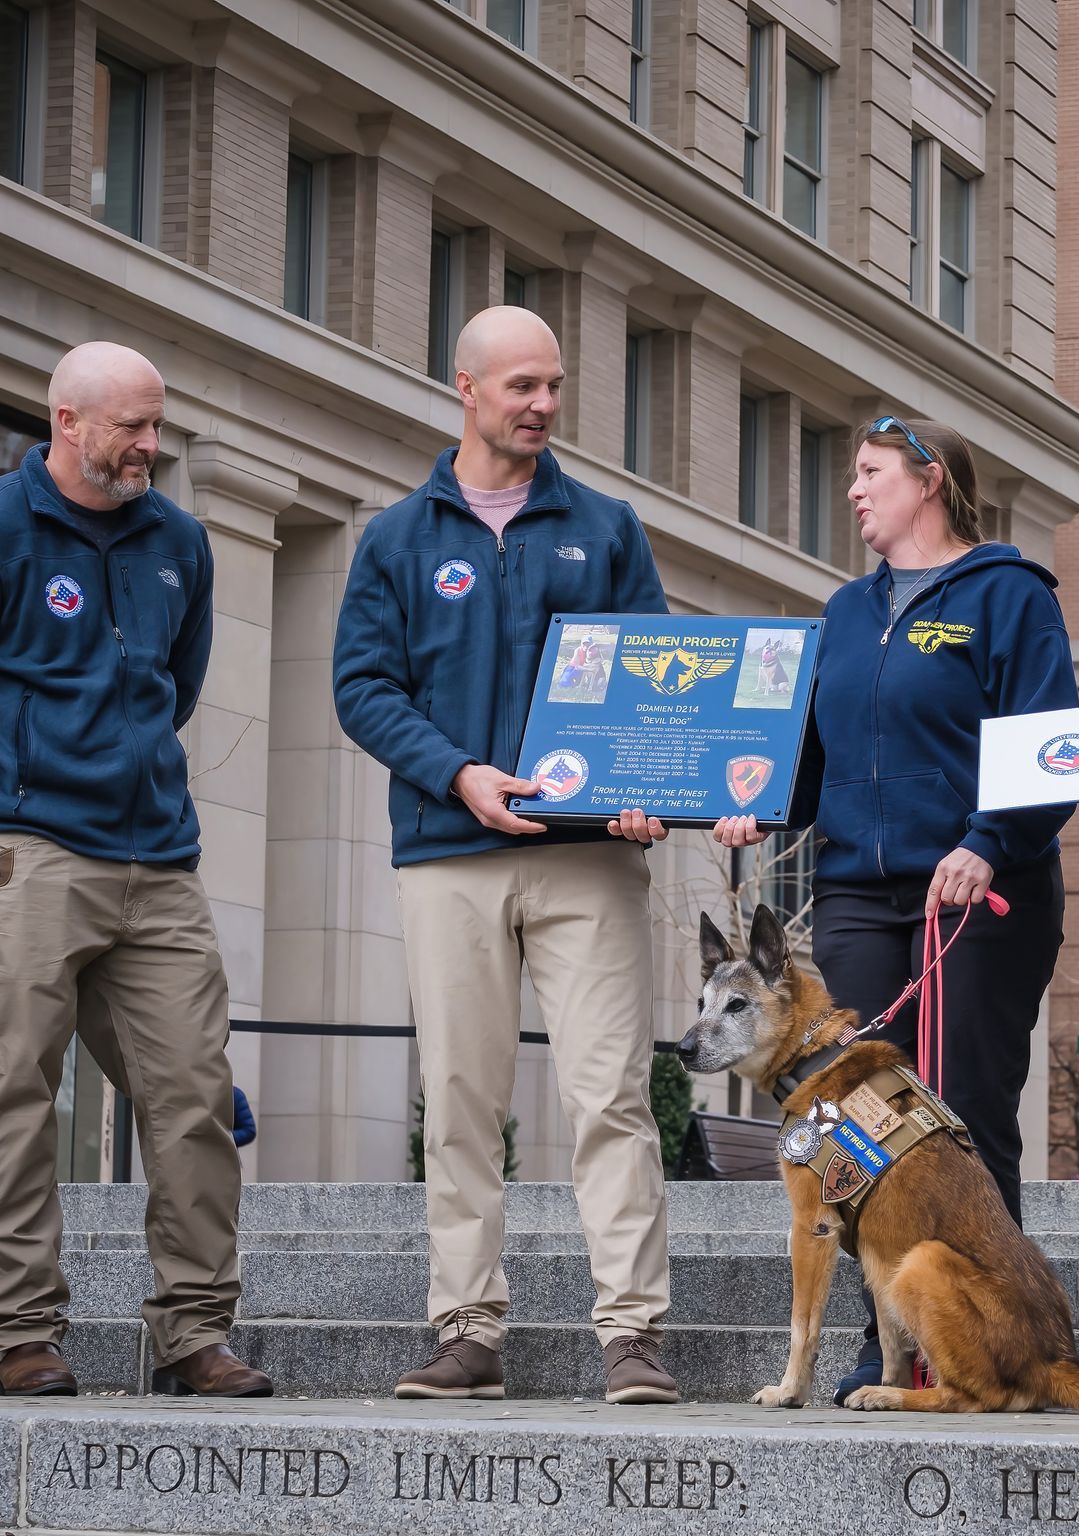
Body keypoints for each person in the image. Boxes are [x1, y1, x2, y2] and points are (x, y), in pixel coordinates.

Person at [0, 342, 269, 1400]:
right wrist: (16, 775)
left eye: (159, 424)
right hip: (24, 852)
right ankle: (23, 1333)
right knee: (15, 1090)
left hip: (158, 859)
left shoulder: (180, 542)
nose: (152, 445)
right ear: (67, 422)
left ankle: (194, 1335)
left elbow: (172, 689)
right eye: (133, 427)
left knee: (192, 1094)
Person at [333, 306, 679, 1405]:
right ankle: (468, 1330)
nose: (541, 405)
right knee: (462, 1097)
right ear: (466, 387)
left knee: (611, 1096)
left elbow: (655, 674)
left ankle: (632, 1336)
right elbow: (362, 688)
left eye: (554, 386)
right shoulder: (397, 539)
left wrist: (644, 792)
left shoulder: (608, 526)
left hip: (588, 860)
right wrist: (457, 774)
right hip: (449, 850)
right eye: (521, 385)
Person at [713, 415, 1078, 1403]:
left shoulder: (1009, 597)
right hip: (857, 895)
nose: (854, 490)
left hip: (976, 889)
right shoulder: (843, 611)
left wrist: (987, 840)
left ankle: (995, 1345)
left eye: (870, 473)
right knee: (853, 1123)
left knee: (960, 1124)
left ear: (930, 482)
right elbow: (817, 759)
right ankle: (888, 1344)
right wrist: (761, 808)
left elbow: (1052, 746)